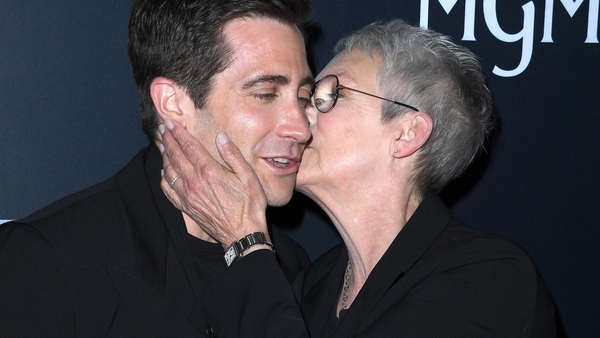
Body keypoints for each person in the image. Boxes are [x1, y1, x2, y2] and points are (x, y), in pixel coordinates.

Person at [160, 20, 558, 337]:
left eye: (330, 96)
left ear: (406, 134)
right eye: (309, 97)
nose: (298, 120)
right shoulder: (313, 284)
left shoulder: (489, 277)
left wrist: (245, 243)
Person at [0, 0, 314, 336]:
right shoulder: (50, 259)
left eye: (303, 97)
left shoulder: (291, 267)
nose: (301, 128)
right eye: (266, 93)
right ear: (173, 103)